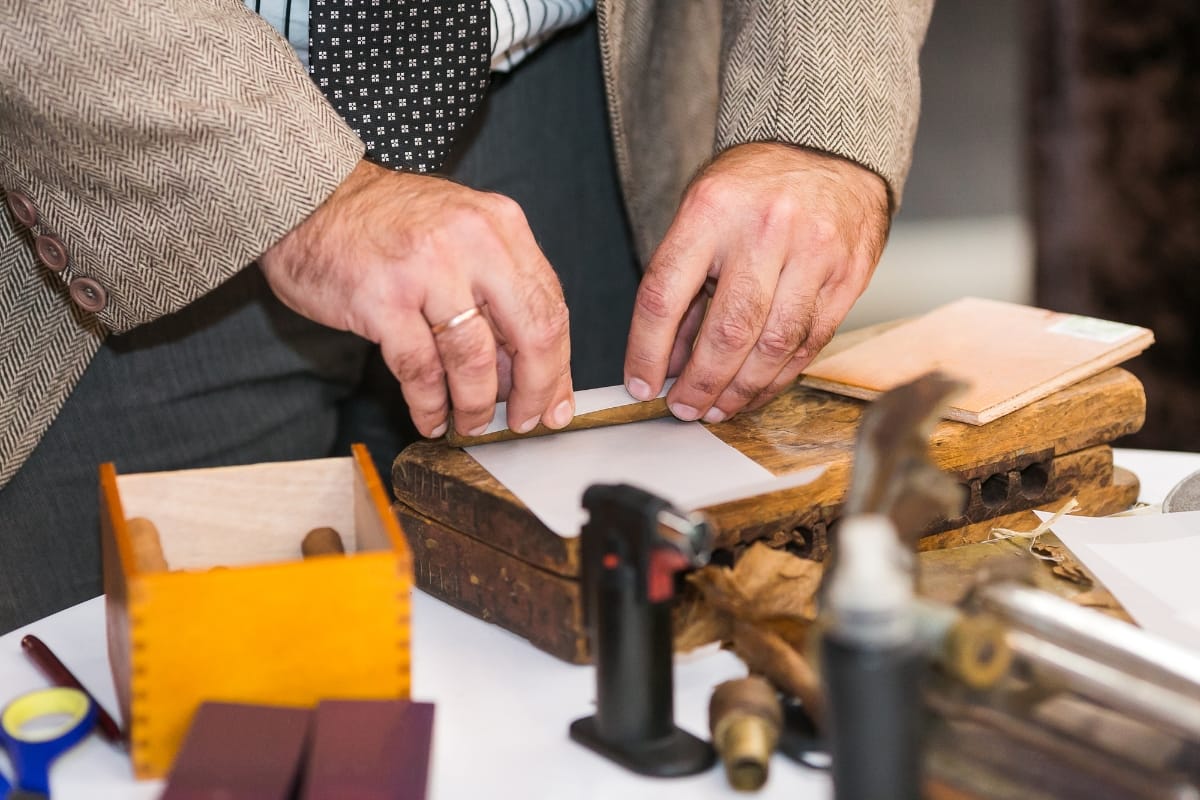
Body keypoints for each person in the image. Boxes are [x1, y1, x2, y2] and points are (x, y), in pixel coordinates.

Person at [0, 0, 933, 632]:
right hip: (136, 127)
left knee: (624, 657)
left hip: (591, 101)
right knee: (160, 722)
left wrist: (820, 116)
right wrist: (283, 187)